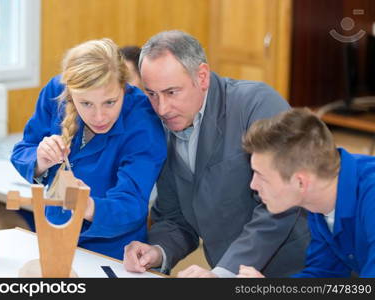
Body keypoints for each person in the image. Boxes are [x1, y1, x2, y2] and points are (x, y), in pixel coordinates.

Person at [123, 30, 310, 277]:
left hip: (299, 269)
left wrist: (224, 272)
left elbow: (282, 202)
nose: (162, 108)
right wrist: (157, 251)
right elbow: (174, 216)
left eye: (172, 92)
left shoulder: (256, 105)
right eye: (152, 94)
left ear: (202, 77)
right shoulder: (160, 125)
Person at [11, 38, 167, 260]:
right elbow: (23, 149)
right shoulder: (55, 91)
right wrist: (40, 159)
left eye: (110, 102)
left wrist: (89, 206)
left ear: (124, 87)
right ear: (70, 92)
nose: (100, 117)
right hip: (54, 234)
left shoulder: (143, 121)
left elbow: (132, 203)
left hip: (112, 251)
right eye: (86, 104)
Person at [238, 108, 375, 278]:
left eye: (262, 176)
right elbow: (324, 272)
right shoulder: (320, 198)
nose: (253, 185)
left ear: (301, 182)